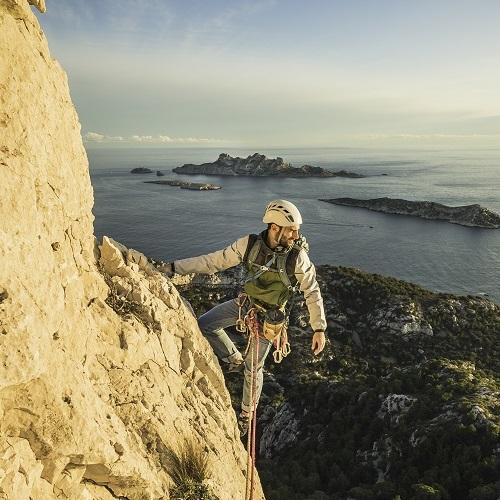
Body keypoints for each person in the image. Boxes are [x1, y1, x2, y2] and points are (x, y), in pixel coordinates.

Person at [139, 200, 327, 435]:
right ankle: (233, 359)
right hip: (245, 306)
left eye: (296, 230)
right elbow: (213, 262)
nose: (296, 235)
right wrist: (175, 267)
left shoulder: (297, 258)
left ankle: (247, 415)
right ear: (274, 228)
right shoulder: (249, 245)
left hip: (270, 320)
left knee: (253, 369)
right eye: (291, 230)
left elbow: (312, 290)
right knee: (204, 325)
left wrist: (318, 328)